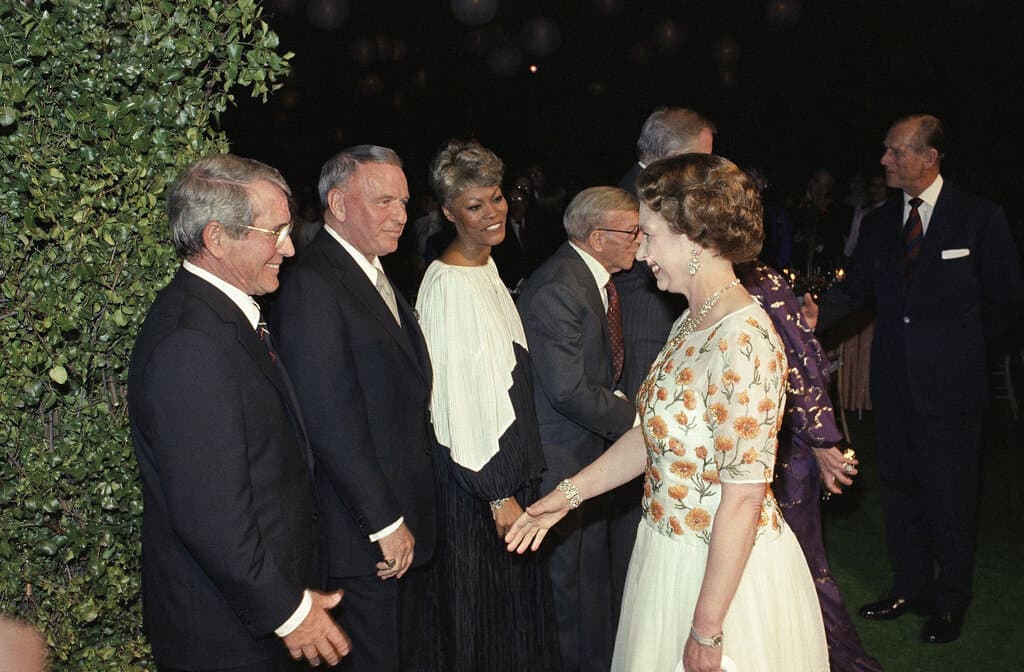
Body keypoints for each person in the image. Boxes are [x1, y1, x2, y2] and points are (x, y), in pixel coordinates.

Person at [509, 153, 828, 672]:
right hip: (665, 550)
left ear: (693, 238)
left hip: (720, 576)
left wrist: (706, 629)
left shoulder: (744, 340)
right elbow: (654, 434)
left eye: (650, 235)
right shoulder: (691, 319)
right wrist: (568, 496)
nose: (641, 253)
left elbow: (744, 498)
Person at [128, 154, 350, 671]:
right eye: (274, 233)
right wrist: (291, 613)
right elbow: (212, 515)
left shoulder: (219, 317)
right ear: (216, 239)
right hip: (226, 634)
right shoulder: (191, 344)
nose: (289, 248)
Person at [818, 114, 1023, 644]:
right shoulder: (882, 220)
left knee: (951, 496)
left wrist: (961, 355)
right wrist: (805, 316)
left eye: (894, 151)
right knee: (901, 489)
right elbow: (856, 291)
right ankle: (908, 585)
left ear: (928, 157)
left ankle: (950, 600)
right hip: (894, 385)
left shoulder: (979, 217)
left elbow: (1004, 302)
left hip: (954, 391)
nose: (884, 160)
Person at [270, 145, 439, 671]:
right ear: (338, 204)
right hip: (363, 537)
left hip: (400, 527)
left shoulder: (372, 270)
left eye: (405, 202)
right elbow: (328, 418)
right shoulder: (314, 282)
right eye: (383, 200)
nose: (400, 215)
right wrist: (384, 521)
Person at [414, 139, 561, 671]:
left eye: (496, 198)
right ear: (449, 212)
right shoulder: (448, 285)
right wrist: (498, 497)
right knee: (482, 630)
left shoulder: (486, 268)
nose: (493, 212)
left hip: (505, 478)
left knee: (511, 630)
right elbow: (454, 405)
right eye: (475, 206)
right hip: (477, 491)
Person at [735, 260, 883, 672]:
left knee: (802, 565)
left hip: (780, 451)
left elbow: (800, 359)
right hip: (734, 452)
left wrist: (821, 440)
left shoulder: (760, 280)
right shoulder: (697, 281)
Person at [515, 186, 640, 672]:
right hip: (560, 458)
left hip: (588, 451)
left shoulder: (593, 279)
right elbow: (567, 391)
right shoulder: (559, 289)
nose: (639, 240)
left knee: (589, 582)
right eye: (631, 232)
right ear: (596, 237)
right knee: (567, 589)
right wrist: (634, 421)